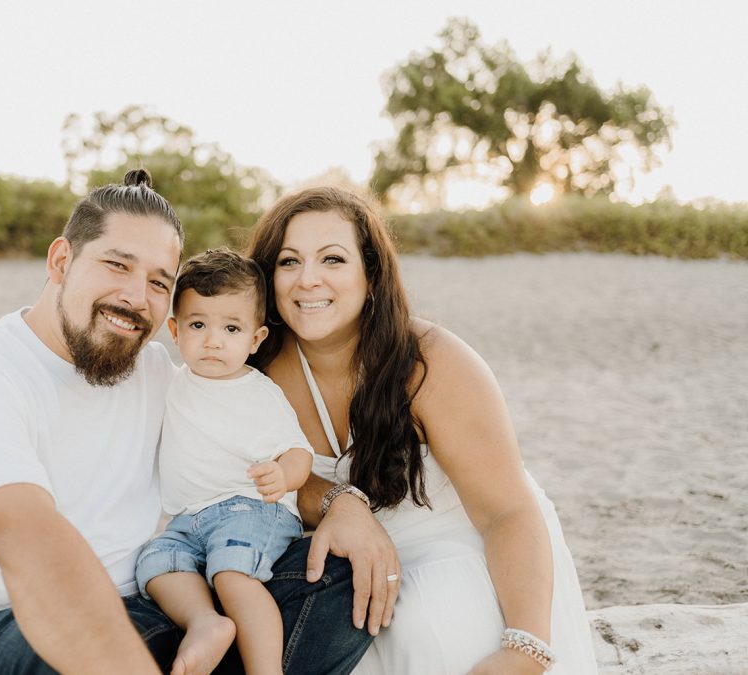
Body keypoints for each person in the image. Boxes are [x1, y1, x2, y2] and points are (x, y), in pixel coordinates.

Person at [0, 170, 372, 674]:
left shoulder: (162, 376)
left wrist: (344, 505)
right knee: (45, 643)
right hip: (11, 637)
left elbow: (261, 464)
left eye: (158, 282)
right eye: (117, 266)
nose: (135, 296)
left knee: (334, 575)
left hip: (154, 615)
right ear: (62, 260)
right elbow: (30, 548)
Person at [245, 186, 599, 674]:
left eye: (332, 259)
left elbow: (507, 512)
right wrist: (338, 500)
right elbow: (245, 477)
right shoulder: (254, 367)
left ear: (370, 275)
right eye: (288, 261)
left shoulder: (428, 360)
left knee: (434, 627)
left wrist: (526, 647)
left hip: (465, 545)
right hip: (346, 564)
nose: (308, 280)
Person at [135, 249, 315, 675]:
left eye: (231, 328)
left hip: (249, 507)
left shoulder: (257, 392)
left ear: (255, 339)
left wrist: (282, 476)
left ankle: (266, 670)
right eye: (198, 325)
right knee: (157, 563)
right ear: (175, 331)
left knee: (232, 573)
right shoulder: (174, 383)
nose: (213, 340)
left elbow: (298, 452)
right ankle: (205, 622)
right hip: (186, 519)